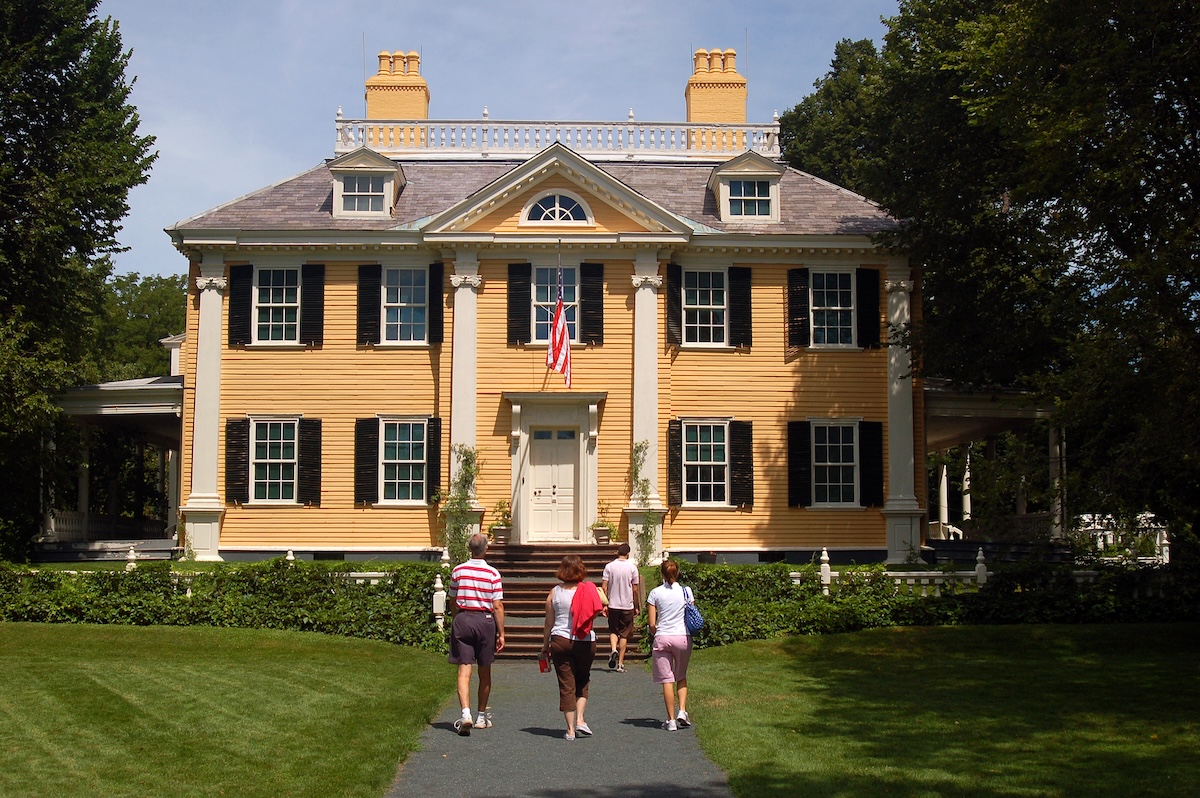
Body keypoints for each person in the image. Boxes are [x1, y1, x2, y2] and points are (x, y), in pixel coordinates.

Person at [539, 554, 606, 740]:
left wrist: (545, 645)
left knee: (566, 684)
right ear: (581, 570)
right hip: (585, 641)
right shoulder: (589, 590)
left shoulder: (554, 592)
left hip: (560, 640)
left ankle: (569, 730)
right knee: (583, 679)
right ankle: (581, 720)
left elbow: (548, 623)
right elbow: (595, 613)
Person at [448, 532, 505, 736]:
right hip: (485, 620)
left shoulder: (458, 570)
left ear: (469, 549)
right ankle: (481, 716)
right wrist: (501, 633)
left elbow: (452, 598)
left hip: (464, 618)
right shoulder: (493, 574)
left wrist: (458, 617)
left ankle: (465, 714)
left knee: (464, 670)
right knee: (485, 670)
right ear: (486, 549)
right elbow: (497, 605)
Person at [646, 558, 692, 731]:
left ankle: (671, 720)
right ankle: (682, 710)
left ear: (662, 574)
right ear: (677, 573)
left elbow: (652, 623)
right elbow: (690, 614)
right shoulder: (686, 592)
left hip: (663, 636)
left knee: (667, 679)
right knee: (681, 675)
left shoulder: (655, 593)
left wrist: (655, 633)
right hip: (682, 636)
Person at [601, 542, 640, 672]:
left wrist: (604, 604)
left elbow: (604, 587)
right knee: (624, 634)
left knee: (613, 630)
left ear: (618, 552)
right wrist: (636, 605)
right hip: (627, 605)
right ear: (628, 554)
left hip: (613, 604)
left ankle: (613, 649)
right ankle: (620, 664)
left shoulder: (609, 567)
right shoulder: (632, 568)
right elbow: (635, 589)